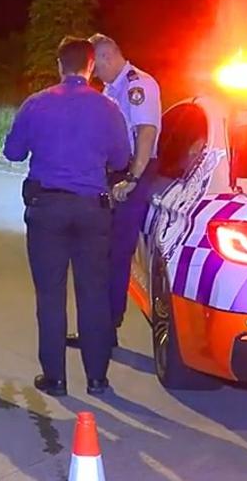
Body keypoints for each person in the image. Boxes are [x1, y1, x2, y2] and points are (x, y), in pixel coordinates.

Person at [3, 37, 131, 396]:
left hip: (47, 209)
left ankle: (55, 378)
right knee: (93, 293)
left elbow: (13, 152)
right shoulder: (107, 108)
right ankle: (97, 378)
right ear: (90, 67)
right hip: (93, 210)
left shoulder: (37, 103)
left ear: (60, 65)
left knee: (50, 293)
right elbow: (121, 159)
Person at [78, 33, 162, 346]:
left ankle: (107, 326)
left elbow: (146, 132)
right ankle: (101, 325)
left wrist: (133, 178)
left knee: (116, 254)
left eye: (94, 65)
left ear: (106, 57)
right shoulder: (113, 89)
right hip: (116, 174)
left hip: (131, 174)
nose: (93, 72)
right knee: (102, 252)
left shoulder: (137, 84)